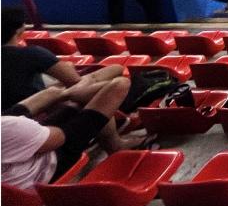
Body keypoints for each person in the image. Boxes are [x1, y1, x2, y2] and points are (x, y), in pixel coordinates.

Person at [1, 74, 146, 192]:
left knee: (54, 93)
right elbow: (60, 137)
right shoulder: (11, 127)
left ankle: (68, 94)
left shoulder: (11, 125)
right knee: (120, 85)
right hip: (47, 166)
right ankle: (114, 144)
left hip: (14, 168)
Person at [2, 8, 127, 111]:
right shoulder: (32, 53)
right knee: (111, 83)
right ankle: (113, 137)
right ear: (19, 29)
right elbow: (74, 80)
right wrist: (69, 68)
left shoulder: (30, 54)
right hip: (35, 107)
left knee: (115, 68)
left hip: (23, 104)